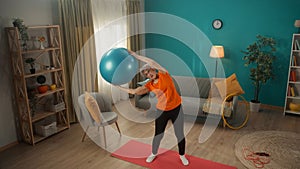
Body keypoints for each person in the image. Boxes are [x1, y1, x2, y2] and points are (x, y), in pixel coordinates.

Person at [117, 50, 189, 166]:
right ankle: (153, 153)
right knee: (158, 134)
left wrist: (136, 56)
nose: (148, 74)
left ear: (153, 69)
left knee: (179, 134)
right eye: (145, 74)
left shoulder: (164, 74)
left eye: (148, 71)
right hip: (162, 111)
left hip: (176, 109)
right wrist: (118, 87)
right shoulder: (149, 85)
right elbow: (134, 91)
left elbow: (151, 61)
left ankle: (182, 155)